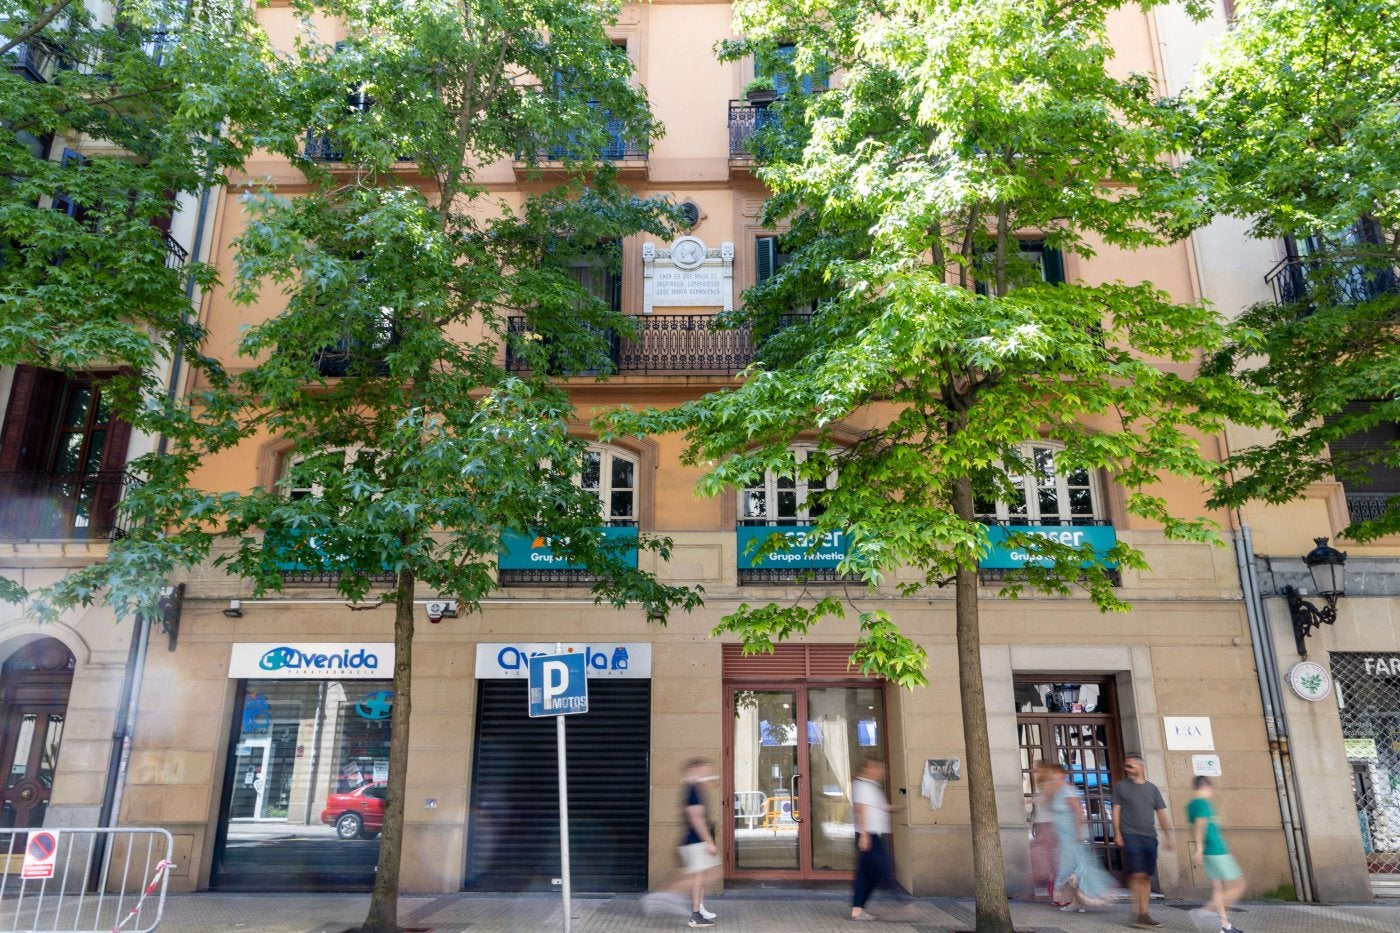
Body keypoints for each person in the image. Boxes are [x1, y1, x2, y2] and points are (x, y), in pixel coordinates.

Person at [643, 758, 720, 928]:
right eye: (705, 769)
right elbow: (695, 818)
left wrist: (705, 781)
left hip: (695, 841)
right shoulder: (692, 790)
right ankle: (684, 909)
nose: (707, 772)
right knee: (697, 877)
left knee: (704, 875)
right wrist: (708, 841)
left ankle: (699, 907)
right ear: (695, 769)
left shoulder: (694, 787)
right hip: (695, 841)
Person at [1040, 762, 1120, 912]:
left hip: (1072, 837)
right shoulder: (1056, 793)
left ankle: (1084, 899)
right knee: (1070, 871)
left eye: (1055, 776)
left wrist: (1079, 832)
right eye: (1051, 776)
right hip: (1063, 837)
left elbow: (1078, 811)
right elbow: (1045, 806)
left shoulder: (1068, 790)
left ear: (1062, 776)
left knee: (1073, 869)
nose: (1053, 779)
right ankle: (1076, 901)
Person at [1112, 752, 1174, 929]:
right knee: (1137, 873)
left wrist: (1168, 837)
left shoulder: (1152, 789)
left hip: (1149, 836)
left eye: (1130, 766)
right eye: (1126, 766)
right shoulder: (1121, 787)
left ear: (1141, 767)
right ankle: (1136, 912)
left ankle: (1143, 914)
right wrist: (1117, 833)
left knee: (1146, 876)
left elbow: (1161, 814)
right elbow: (1116, 811)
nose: (1127, 769)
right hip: (1130, 835)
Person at [1188, 776, 1246, 933]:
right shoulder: (1203, 804)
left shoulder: (1191, 805)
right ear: (1205, 787)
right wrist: (1199, 849)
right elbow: (1200, 825)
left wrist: (1200, 849)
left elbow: (1195, 828)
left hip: (1209, 852)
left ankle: (1225, 926)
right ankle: (1205, 912)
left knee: (1219, 888)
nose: (1211, 792)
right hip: (1217, 850)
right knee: (1239, 885)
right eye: (1210, 789)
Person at [851, 756, 898, 922]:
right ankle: (901, 904)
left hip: (873, 834)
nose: (881, 772)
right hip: (869, 835)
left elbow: (877, 806)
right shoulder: (862, 785)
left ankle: (858, 908)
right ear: (867, 769)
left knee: (868, 873)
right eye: (877, 768)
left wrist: (894, 808)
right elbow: (860, 809)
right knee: (883, 869)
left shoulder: (871, 785)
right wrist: (864, 835)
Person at [1030, 762, 1059, 901]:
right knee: (1046, 859)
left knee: (1047, 860)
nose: (1034, 770)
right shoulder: (1043, 785)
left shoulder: (1048, 785)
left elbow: (1047, 801)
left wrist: (1030, 800)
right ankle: (1053, 890)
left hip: (1049, 825)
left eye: (1037, 768)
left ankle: (1055, 891)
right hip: (1044, 825)